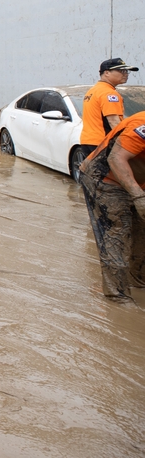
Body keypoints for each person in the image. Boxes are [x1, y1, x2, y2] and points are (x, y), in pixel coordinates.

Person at [79, 110, 145, 301]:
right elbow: (116, 158)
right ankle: (117, 296)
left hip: (138, 181)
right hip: (105, 179)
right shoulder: (141, 125)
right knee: (117, 232)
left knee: (141, 234)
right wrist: (138, 197)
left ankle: (139, 282)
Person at [79, 58, 138, 161]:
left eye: (126, 71)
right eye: (121, 71)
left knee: (93, 175)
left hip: (88, 141)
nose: (126, 74)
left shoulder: (93, 90)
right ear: (106, 73)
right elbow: (114, 122)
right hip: (103, 143)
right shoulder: (109, 93)